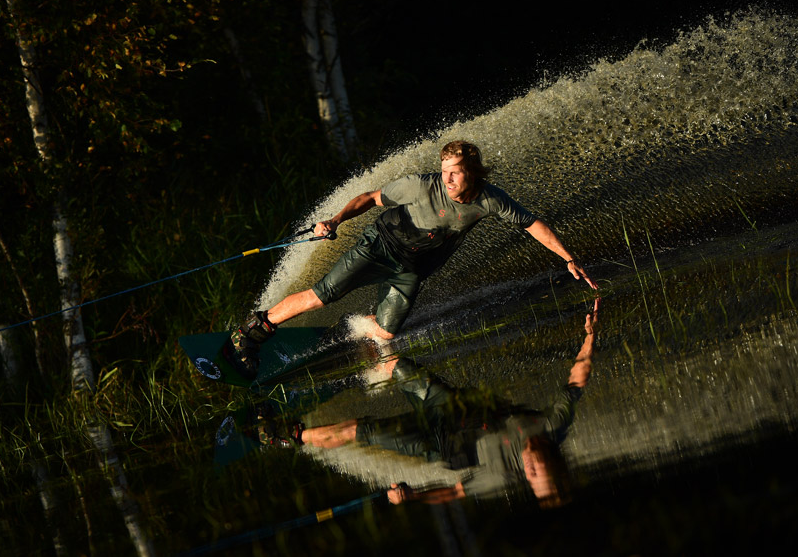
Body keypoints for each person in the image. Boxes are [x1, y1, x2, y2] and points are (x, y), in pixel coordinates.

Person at [225, 140, 598, 380]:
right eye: (445, 171)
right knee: (321, 295)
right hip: (380, 245)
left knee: (387, 333)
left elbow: (531, 223)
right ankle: (252, 332)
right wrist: (336, 221)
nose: (448, 179)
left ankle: (348, 331)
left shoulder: (491, 199)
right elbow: (371, 197)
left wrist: (567, 258)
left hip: (412, 267)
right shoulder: (422, 185)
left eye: (455, 173)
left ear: (474, 173)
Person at [290, 299, 599, 508]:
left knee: (361, 430)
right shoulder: (552, 426)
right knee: (395, 362)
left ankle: (291, 435)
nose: (530, 467)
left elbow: (454, 492)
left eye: (532, 476)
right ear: (553, 461)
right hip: (449, 407)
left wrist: (412, 496)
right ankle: (348, 354)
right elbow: (576, 381)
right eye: (538, 469)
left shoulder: (500, 477)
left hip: (434, 443)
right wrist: (589, 337)